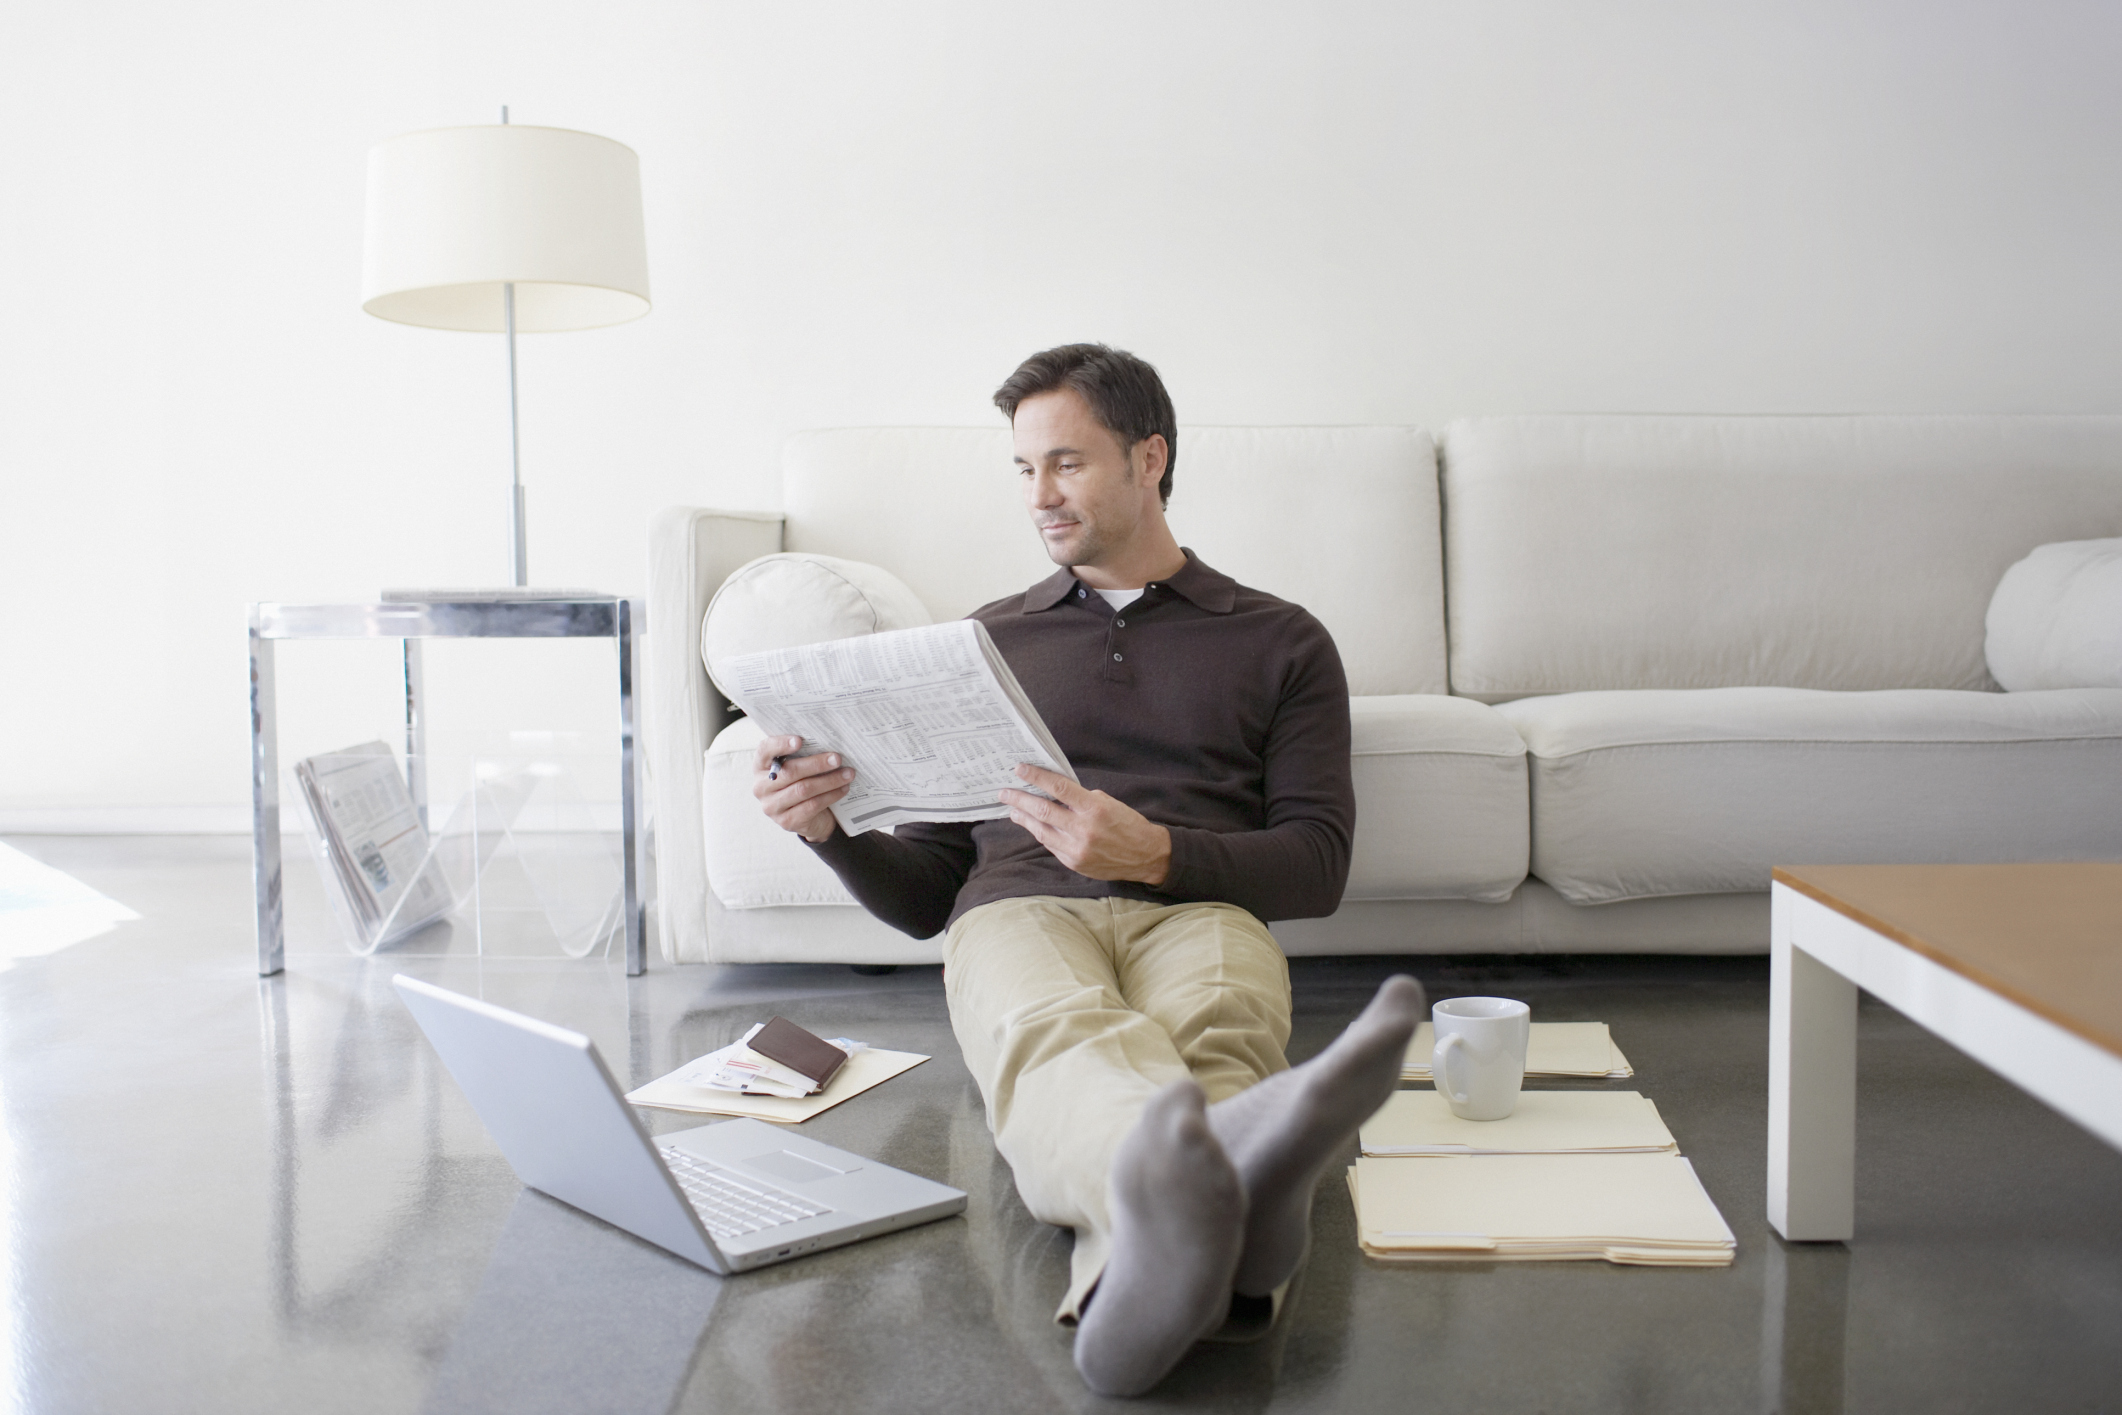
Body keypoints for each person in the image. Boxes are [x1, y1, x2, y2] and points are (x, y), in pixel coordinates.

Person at [752, 344, 1423, 1397]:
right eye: (1023, 469)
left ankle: (1131, 1283)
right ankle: (1241, 1228)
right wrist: (830, 831)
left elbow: (1316, 864)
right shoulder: (986, 638)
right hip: (1019, 907)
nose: (1040, 495)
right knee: (1060, 1029)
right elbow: (929, 892)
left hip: (1201, 902)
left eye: (1065, 463)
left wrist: (1153, 849)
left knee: (1218, 1022)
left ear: (1148, 456)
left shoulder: (1281, 640)